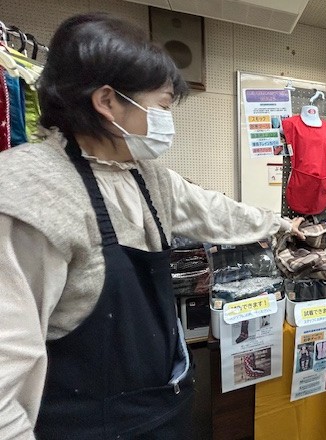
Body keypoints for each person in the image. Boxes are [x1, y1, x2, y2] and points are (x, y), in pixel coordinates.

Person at [0, 13, 304, 439]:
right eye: (161, 106)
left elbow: (212, 210)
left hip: (162, 406)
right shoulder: (28, 190)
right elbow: (7, 361)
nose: (167, 120)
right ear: (108, 102)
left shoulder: (145, 174)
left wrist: (278, 224)